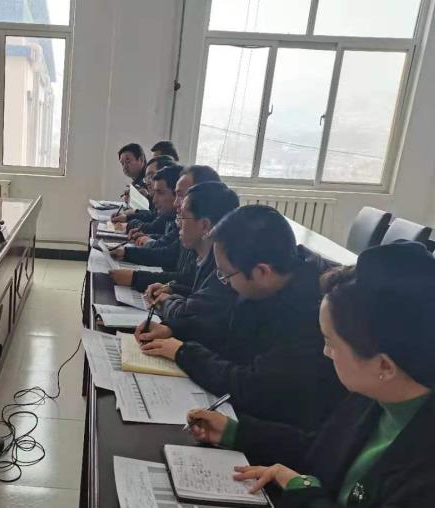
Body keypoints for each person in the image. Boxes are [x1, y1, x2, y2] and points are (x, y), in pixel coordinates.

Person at [187, 242, 435, 508]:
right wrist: (237, 432)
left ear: (384, 365)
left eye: (331, 342)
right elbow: (322, 449)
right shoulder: (384, 393)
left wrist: (300, 491)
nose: (325, 353)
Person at [141, 204, 345, 430]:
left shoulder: (314, 315)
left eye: (225, 274)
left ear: (262, 272)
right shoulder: (272, 274)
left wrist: (183, 353)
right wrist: (174, 329)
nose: (223, 281)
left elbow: (252, 387)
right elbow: (222, 323)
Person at [135, 181, 240, 350]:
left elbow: (195, 314)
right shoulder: (205, 256)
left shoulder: (224, 268)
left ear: (204, 225)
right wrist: (171, 289)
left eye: (182, 217)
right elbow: (199, 298)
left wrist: (167, 301)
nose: (178, 223)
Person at [110, 165, 222, 291]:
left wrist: (135, 278)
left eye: (182, 195)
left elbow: (188, 280)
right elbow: (168, 254)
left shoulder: (217, 250)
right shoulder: (190, 232)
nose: (176, 203)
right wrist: (127, 253)